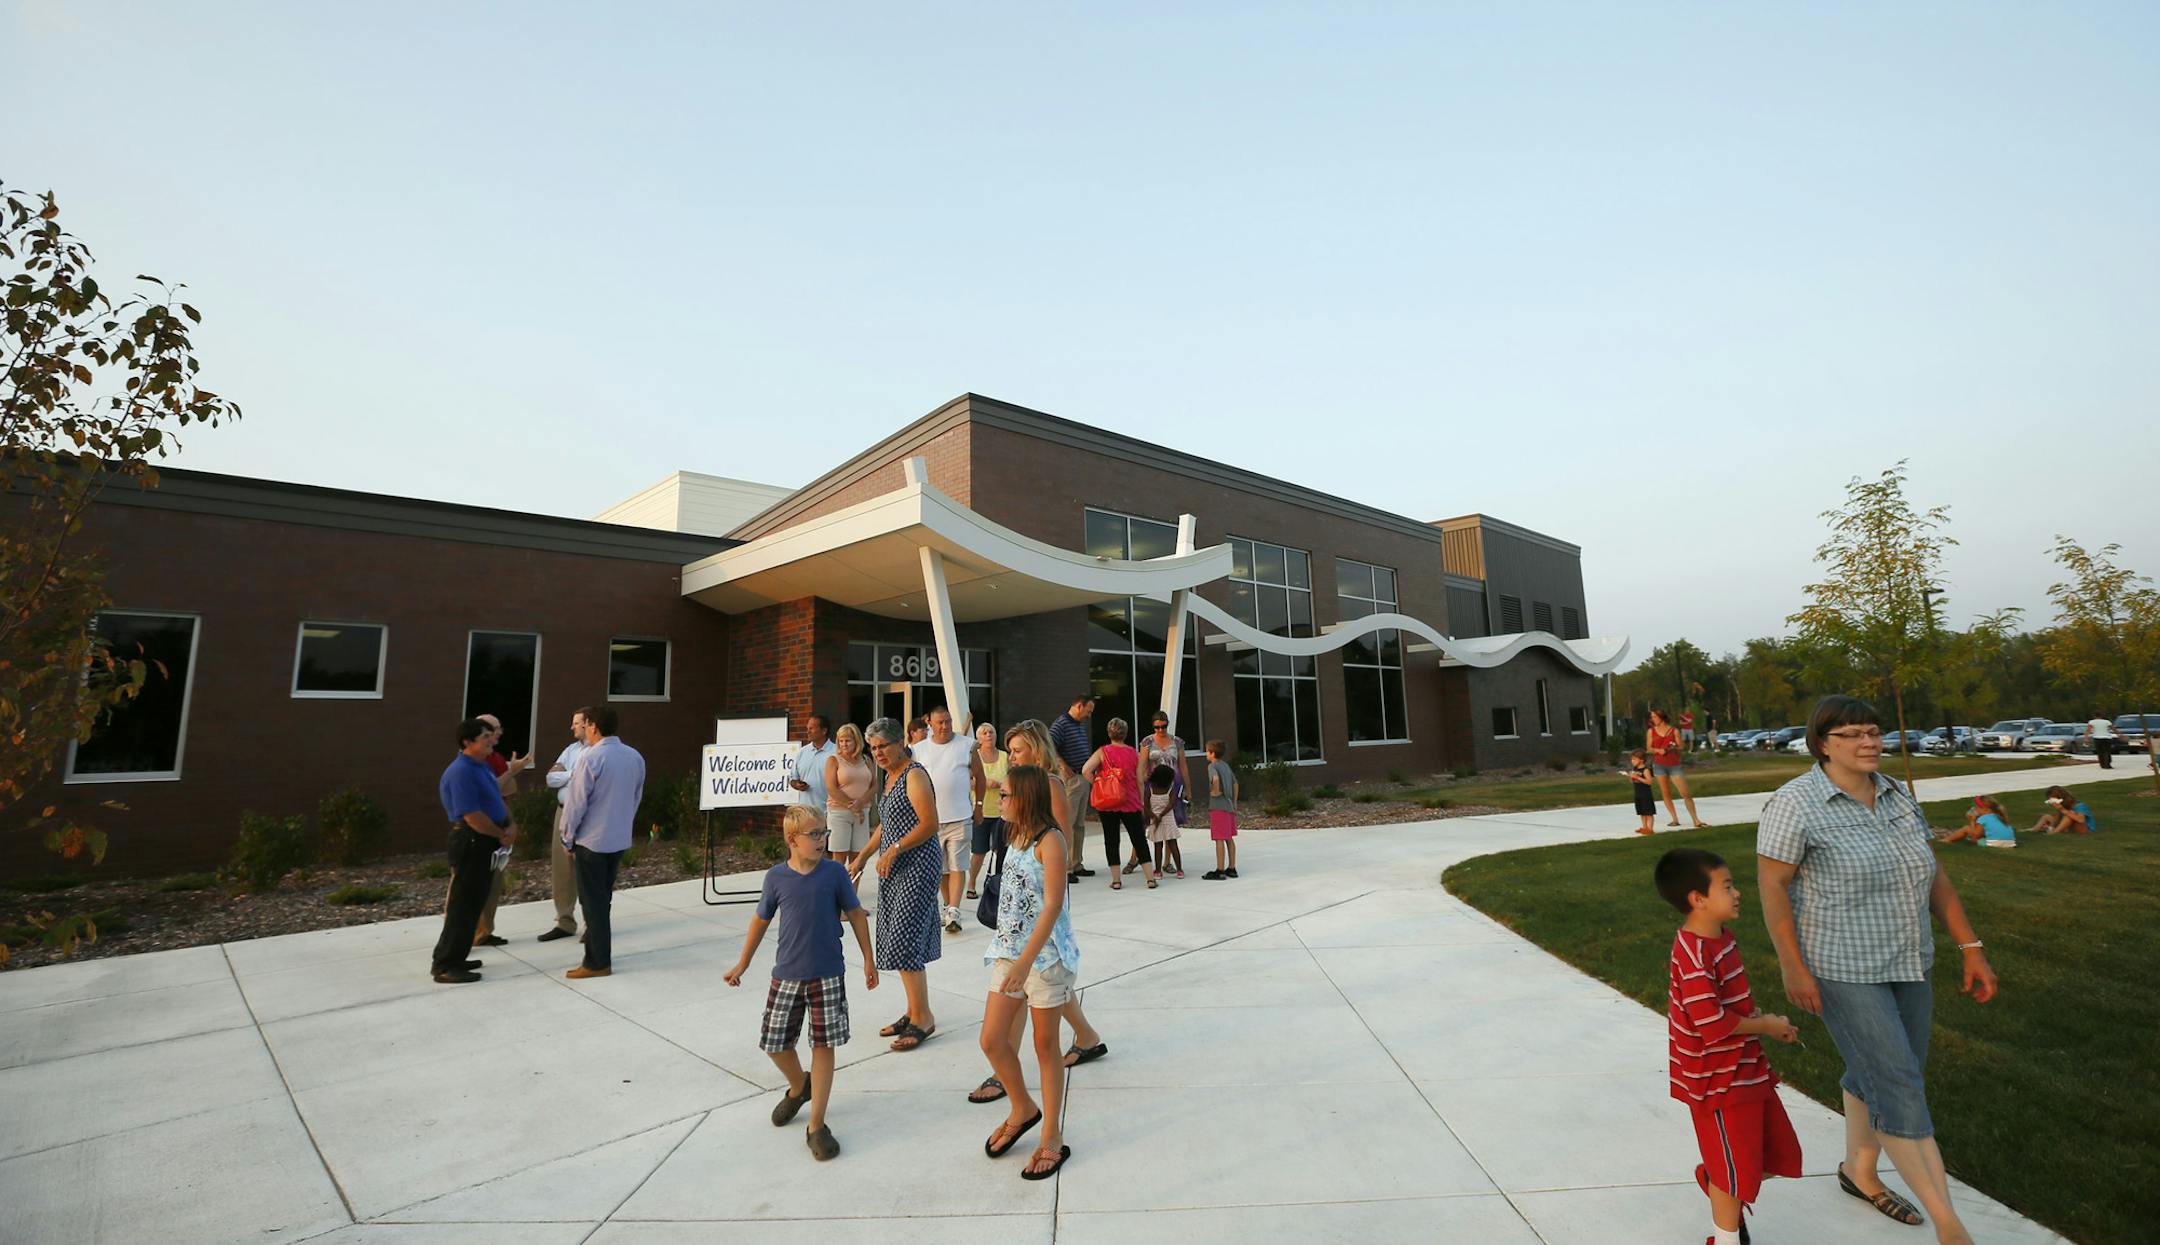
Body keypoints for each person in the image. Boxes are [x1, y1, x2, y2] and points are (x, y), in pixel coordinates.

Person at [1757, 695, 1997, 1244]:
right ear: (1823, 743)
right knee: (1899, 1084)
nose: (1868, 743)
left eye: (1873, 732)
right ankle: (1950, 1226)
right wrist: (1793, 967)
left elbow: (1932, 874)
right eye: (1852, 735)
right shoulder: (1796, 803)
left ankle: (1859, 1172)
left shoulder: (1896, 794)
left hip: (1909, 958)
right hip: (1842, 965)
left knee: (1884, 1069)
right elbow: (1773, 886)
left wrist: (1971, 947)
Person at [1657, 847, 1803, 1245]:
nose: (1736, 893)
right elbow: (1710, 1026)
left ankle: (1715, 1176)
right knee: (1736, 1174)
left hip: (1746, 1067)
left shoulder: (1721, 938)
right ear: (1698, 899)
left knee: (1778, 1155)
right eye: (1727, 886)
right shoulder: (1692, 954)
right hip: (1716, 1082)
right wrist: (1767, 1026)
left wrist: (1763, 1026)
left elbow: (1731, 1009)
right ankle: (1723, 1236)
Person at [722, 805, 878, 1162]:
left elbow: (855, 914)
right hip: (787, 973)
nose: (822, 839)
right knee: (774, 1042)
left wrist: (868, 958)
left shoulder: (835, 873)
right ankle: (798, 1086)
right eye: (814, 834)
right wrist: (742, 963)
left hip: (827, 974)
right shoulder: (776, 877)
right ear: (792, 840)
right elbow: (760, 921)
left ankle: (817, 1125)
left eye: (824, 832)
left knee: (824, 1046)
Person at [988, 719, 1109, 1078]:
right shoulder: (1020, 785)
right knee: (1047, 981)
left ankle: (1004, 1070)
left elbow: (1059, 838)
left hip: (1043, 895)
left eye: (1018, 750)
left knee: (1032, 978)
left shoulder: (1049, 785)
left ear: (1037, 749)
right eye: (1009, 750)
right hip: (1021, 897)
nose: (1011, 756)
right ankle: (1086, 1036)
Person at [976, 764, 1079, 1181]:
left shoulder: (1048, 841)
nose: (998, 800)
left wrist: (1025, 961)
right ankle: (1023, 1107)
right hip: (1008, 952)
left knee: (1044, 1047)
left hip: (1045, 957)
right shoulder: (1011, 834)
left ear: (1026, 798)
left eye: (1005, 795)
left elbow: (1053, 905)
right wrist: (1012, 956)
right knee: (992, 1040)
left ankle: (1051, 1135)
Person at [856, 716, 941, 1051]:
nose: (877, 753)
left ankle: (924, 1019)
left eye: (883, 746)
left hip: (918, 866)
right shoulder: (889, 776)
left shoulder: (914, 774)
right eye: (873, 748)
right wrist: (863, 855)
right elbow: (887, 826)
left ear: (900, 743)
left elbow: (930, 823)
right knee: (897, 936)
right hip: (895, 866)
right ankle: (912, 1010)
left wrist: (895, 850)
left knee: (905, 938)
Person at [560, 705, 645, 980]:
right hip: (617, 840)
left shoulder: (591, 758)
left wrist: (567, 837)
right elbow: (635, 798)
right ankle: (598, 957)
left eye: (586, 725)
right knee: (602, 900)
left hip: (591, 842)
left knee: (592, 903)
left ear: (593, 726)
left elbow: (575, 804)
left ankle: (597, 962)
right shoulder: (634, 757)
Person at [431, 717, 518, 984]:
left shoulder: (481, 767)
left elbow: (495, 801)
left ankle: (458, 957)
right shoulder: (461, 772)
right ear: (467, 742)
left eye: (492, 736)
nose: (492, 741)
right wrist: (500, 834)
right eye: (485, 738)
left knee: (474, 903)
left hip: (487, 841)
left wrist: (511, 824)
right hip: (471, 842)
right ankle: (445, 964)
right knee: (462, 905)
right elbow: (472, 816)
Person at [914, 705, 986, 935]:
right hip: (930, 821)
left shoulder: (966, 746)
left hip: (961, 816)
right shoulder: (918, 750)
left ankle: (954, 909)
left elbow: (980, 777)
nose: (945, 726)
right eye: (940, 722)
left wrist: (979, 805)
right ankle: (948, 905)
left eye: (948, 721)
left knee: (957, 865)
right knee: (941, 869)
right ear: (930, 724)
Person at [467, 713, 534, 948]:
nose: (499, 734)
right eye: (493, 730)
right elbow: (490, 791)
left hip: (498, 827)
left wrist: (508, 774)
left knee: (493, 881)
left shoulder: (494, 758)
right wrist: (511, 772)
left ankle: (484, 931)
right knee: (471, 884)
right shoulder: (472, 763)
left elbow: (508, 791)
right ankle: (465, 935)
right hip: (479, 830)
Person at [1083, 718, 1155, 889]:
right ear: (1125, 733)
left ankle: (1116, 880)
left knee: (1111, 839)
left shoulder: (1103, 752)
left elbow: (1086, 770)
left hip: (1108, 802)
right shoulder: (1132, 753)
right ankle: (1150, 878)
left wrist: (1099, 783)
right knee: (1138, 839)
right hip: (1130, 801)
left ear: (1109, 733)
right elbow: (1139, 780)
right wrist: (1141, 800)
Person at [536, 710, 589, 942]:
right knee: (561, 869)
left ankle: (593, 924)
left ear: (589, 724)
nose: (572, 727)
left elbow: (589, 780)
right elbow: (550, 778)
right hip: (562, 812)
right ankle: (565, 922)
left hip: (587, 816)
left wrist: (566, 774)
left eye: (576, 723)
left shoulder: (597, 751)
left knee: (587, 870)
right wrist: (574, 774)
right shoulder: (571, 750)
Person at [1048, 693, 1099, 878]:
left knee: (1079, 824)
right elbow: (1049, 745)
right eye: (1088, 710)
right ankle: (1066, 867)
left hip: (1082, 777)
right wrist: (1062, 765)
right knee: (1066, 823)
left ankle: (1077, 863)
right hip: (1071, 780)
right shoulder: (1061, 724)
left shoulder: (1079, 725)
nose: (1089, 714)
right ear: (1078, 705)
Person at [1141, 712, 1189, 873]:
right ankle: (1135, 859)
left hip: (1173, 785)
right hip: (1153, 787)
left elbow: (1183, 766)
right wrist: (1141, 785)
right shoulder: (1147, 742)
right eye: (1157, 727)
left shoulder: (1177, 742)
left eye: (1163, 726)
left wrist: (1188, 788)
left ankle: (1168, 862)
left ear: (1168, 724)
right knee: (1148, 823)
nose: (1160, 730)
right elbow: (1142, 765)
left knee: (1170, 823)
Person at [822, 723, 876, 866]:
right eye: (841, 740)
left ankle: (852, 889)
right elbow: (831, 788)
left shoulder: (866, 760)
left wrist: (860, 803)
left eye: (848, 740)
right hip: (839, 812)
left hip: (862, 813)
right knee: (839, 857)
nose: (844, 744)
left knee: (858, 858)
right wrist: (852, 806)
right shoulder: (833, 760)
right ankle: (837, 889)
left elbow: (875, 785)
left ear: (856, 741)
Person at [966, 722, 1008, 901]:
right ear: (978, 738)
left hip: (1003, 812)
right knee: (979, 851)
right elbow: (967, 781)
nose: (989, 735)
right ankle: (971, 884)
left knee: (1001, 850)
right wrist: (983, 783)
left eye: (991, 731)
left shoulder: (1005, 756)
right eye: (984, 732)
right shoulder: (974, 757)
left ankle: (999, 883)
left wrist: (1001, 785)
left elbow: (1013, 777)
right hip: (981, 810)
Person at [1648, 708, 1709, 829]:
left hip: (1673, 765)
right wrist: (1658, 750)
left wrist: (1674, 746)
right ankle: (1674, 819)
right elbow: (1649, 747)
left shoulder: (1673, 730)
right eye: (1652, 717)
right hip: (1659, 764)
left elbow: (1681, 745)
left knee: (1685, 793)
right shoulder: (1651, 731)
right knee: (1666, 793)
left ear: (1661, 717)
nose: (1652, 719)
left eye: (1654, 716)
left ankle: (1696, 819)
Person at [1201, 739, 1240, 880]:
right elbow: (1235, 784)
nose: (1206, 753)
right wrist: (1234, 802)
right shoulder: (1226, 766)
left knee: (1219, 838)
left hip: (1218, 807)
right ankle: (1232, 867)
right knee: (1229, 838)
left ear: (1212, 753)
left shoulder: (1212, 766)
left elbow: (1215, 779)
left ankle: (1220, 869)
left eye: (1207, 751)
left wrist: (1215, 792)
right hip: (1229, 806)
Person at [788, 713, 838, 808]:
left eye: (811, 728)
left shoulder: (837, 752)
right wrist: (797, 784)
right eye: (807, 729)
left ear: (824, 731)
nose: (808, 732)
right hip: (807, 813)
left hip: (832, 812)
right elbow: (792, 779)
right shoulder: (802, 752)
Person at [1144, 764, 1182, 879]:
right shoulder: (1170, 789)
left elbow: (1145, 806)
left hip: (1155, 820)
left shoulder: (1149, 789)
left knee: (1158, 846)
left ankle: (1158, 870)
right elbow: (1171, 804)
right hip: (1168, 819)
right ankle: (1179, 870)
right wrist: (1161, 815)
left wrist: (1155, 817)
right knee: (1173, 844)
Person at [1933, 796, 2016, 847]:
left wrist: (1972, 821)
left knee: (1966, 828)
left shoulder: (1983, 818)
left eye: (1977, 808)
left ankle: (1948, 839)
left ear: (1985, 809)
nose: (1975, 809)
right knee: (1981, 836)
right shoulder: (1999, 816)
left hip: (1995, 843)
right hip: (2010, 842)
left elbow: (1976, 835)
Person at [2028, 785, 2097, 835]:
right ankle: (2034, 829)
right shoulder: (2064, 806)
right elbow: (2059, 818)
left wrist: (2063, 810)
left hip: (2086, 830)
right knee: (2047, 817)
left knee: (2069, 814)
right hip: (2071, 827)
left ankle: (2053, 833)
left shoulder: (2079, 805)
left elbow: (2081, 820)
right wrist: (2051, 826)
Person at [1628, 749, 1657, 836]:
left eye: (1634, 759)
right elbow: (1632, 781)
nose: (1632, 761)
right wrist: (1631, 777)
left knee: (1648, 812)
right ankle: (1644, 827)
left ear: (1641, 760)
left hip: (1646, 795)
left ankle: (1650, 829)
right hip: (1638, 794)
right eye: (1632, 759)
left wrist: (1638, 778)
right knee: (1642, 812)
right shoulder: (1635, 769)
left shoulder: (1645, 770)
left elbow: (1649, 782)